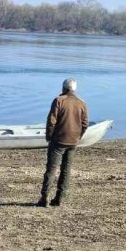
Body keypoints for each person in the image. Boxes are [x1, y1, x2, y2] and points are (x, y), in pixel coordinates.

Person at [37, 78, 89, 207]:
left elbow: (51, 121)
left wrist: (49, 136)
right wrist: (78, 137)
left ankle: (44, 199)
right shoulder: (81, 103)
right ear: (74, 89)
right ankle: (59, 199)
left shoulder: (59, 100)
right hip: (73, 142)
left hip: (59, 141)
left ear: (63, 88)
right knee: (66, 170)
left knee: (51, 169)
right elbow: (85, 124)